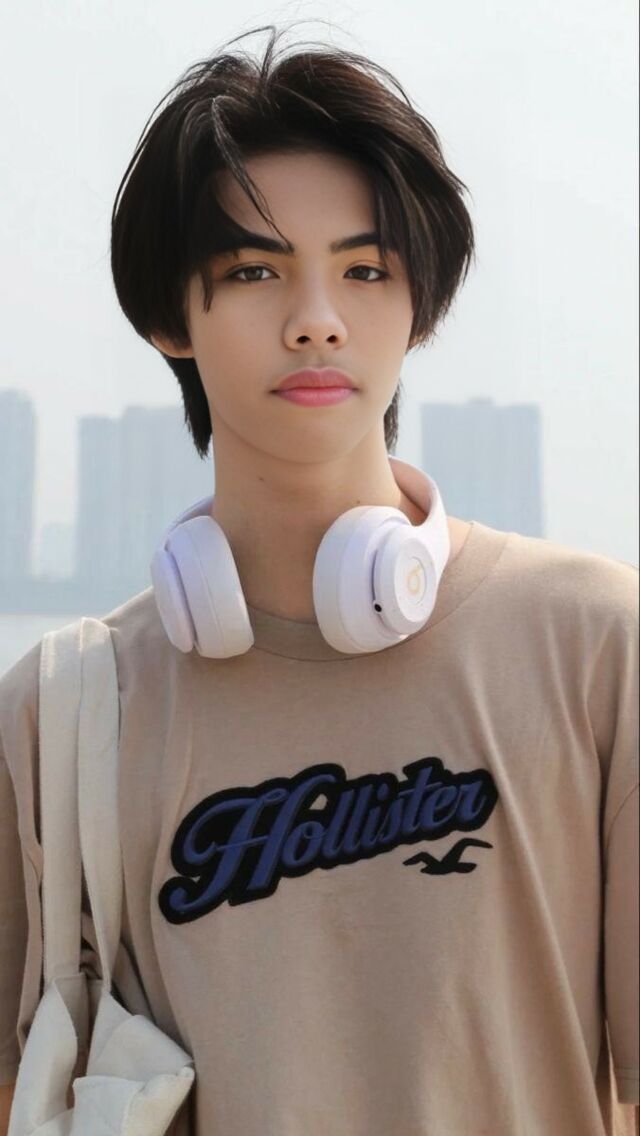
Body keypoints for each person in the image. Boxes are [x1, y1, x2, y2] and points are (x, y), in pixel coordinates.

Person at [0, 21, 637, 1136]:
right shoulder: (64, 713)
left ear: (419, 305)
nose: (316, 321)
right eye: (254, 271)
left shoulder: (594, 646)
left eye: (364, 270)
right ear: (167, 315)